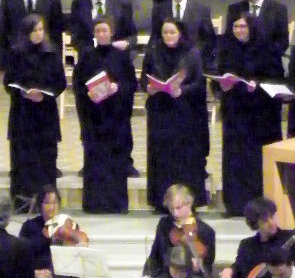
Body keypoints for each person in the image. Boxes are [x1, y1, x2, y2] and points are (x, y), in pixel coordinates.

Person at [214, 14, 282, 216]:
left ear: (252, 27)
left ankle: (258, 206)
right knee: (235, 159)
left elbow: (277, 80)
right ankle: (235, 205)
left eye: (243, 26)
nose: (238, 30)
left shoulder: (267, 50)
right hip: (235, 113)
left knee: (255, 161)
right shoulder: (227, 49)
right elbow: (217, 78)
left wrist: (257, 85)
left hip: (260, 115)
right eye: (235, 26)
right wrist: (221, 87)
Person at [142, 18, 209, 209]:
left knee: (184, 157)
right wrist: (149, 88)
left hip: (184, 114)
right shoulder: (153, 52)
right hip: (160, 112)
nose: (168, 36)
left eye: (172, 32)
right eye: (165, 32)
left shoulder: (192, 53)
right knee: (161, 157)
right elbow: (144, 78)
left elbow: (199, 83)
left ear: (180, 34)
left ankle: (186, 202)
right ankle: (161, 201)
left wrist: (182, 91)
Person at [71, 14, 138, 204]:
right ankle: (94, 204)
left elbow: (131, 83)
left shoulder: (121, 57)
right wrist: (88, 93)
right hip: (94, 118)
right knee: (95, 160)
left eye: (105, 30)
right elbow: (77, 85)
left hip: (116, 117)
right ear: (94, 33)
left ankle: (116, 203)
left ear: (112, 33)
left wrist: (118, 87)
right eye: (98, 31)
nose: (101, 34)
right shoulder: (87, 57)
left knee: (116, 161)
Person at [3, 13, 67, 206]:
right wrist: (23, 93)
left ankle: (46, 202)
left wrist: (43, 95)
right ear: (26, 33)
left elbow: (60, 83)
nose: (39, 34)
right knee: (23, 158)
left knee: (45, 157)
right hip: (23, 113)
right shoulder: (16, 53)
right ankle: (22, 202)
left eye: (41, 29)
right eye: (34, 30)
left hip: (45, 114)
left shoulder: (51, 52)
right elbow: (8, 82)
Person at [224, 0, 290, 81]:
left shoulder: (278, 9)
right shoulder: (235, 9)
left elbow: (282, 41)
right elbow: (229, 39)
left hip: (269, 72)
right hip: (242, 71)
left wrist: (262, 59)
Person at [150, 0, 216, 65]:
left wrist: (197, 59)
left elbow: (209, 40)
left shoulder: (201, 10)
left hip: (193, 63)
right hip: (166, 63)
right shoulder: (159, 9)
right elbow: (155, 38)